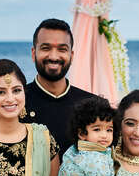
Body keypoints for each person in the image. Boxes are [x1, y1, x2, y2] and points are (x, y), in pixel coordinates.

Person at [21, 18, 95, 156]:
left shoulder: (91, 104)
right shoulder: (16, 102)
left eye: (62, 49)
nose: (54, 56)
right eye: (46, 48)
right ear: (33, 53)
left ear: (71, 56)